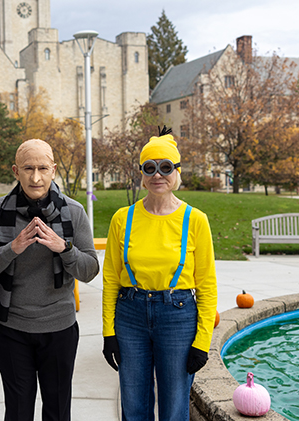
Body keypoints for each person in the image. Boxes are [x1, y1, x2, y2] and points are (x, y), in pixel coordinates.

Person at [0, 139, 99, 421]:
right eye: (28, 168)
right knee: (18, 411)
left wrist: (64, 248)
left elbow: (89, 270)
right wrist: (12, 248)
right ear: (16, 171)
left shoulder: (73, 212)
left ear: (54, 170)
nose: (36, 177)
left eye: (43, 168)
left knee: (57, 410)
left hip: (59, 328)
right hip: (10, 328)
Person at [101, 127, 218, 421]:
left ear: (177, 172)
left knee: (174, 407)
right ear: (141, 173)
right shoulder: (122, 219)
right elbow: (111, 280)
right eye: (150, 167)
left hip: (177, 316)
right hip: (130, 316)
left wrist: (202, 342)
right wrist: (108, 331)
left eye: (166, 167)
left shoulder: (196, 220)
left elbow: (207, 284)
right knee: (134, 403)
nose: (157, 175)